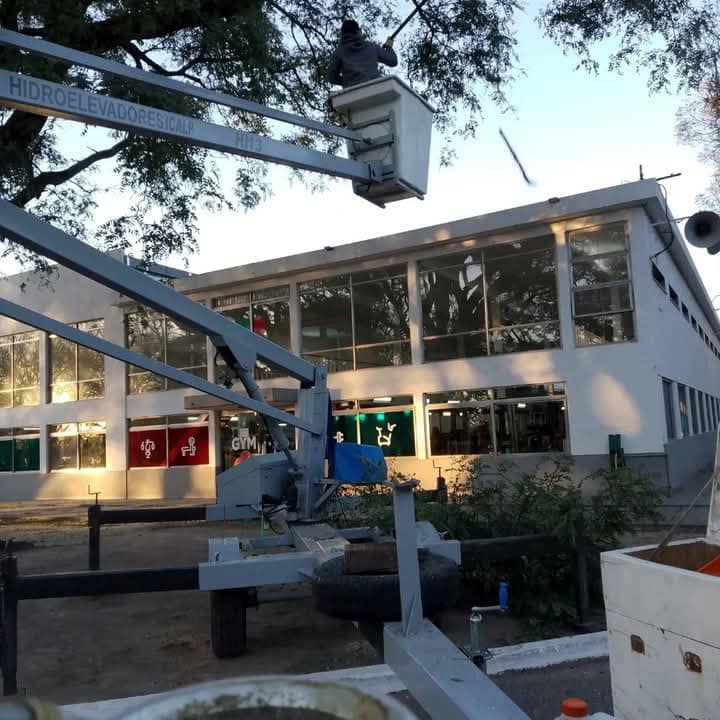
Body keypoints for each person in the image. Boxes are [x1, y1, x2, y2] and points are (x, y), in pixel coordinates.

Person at [327, 19, 398, 89]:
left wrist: (347, 82)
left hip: (353, 92)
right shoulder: (372, 47)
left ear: (342, 35)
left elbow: (331, 77)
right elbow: (393, 61)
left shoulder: (339, 52)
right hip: (376, 87)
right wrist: (389, 47)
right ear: (358, 32)